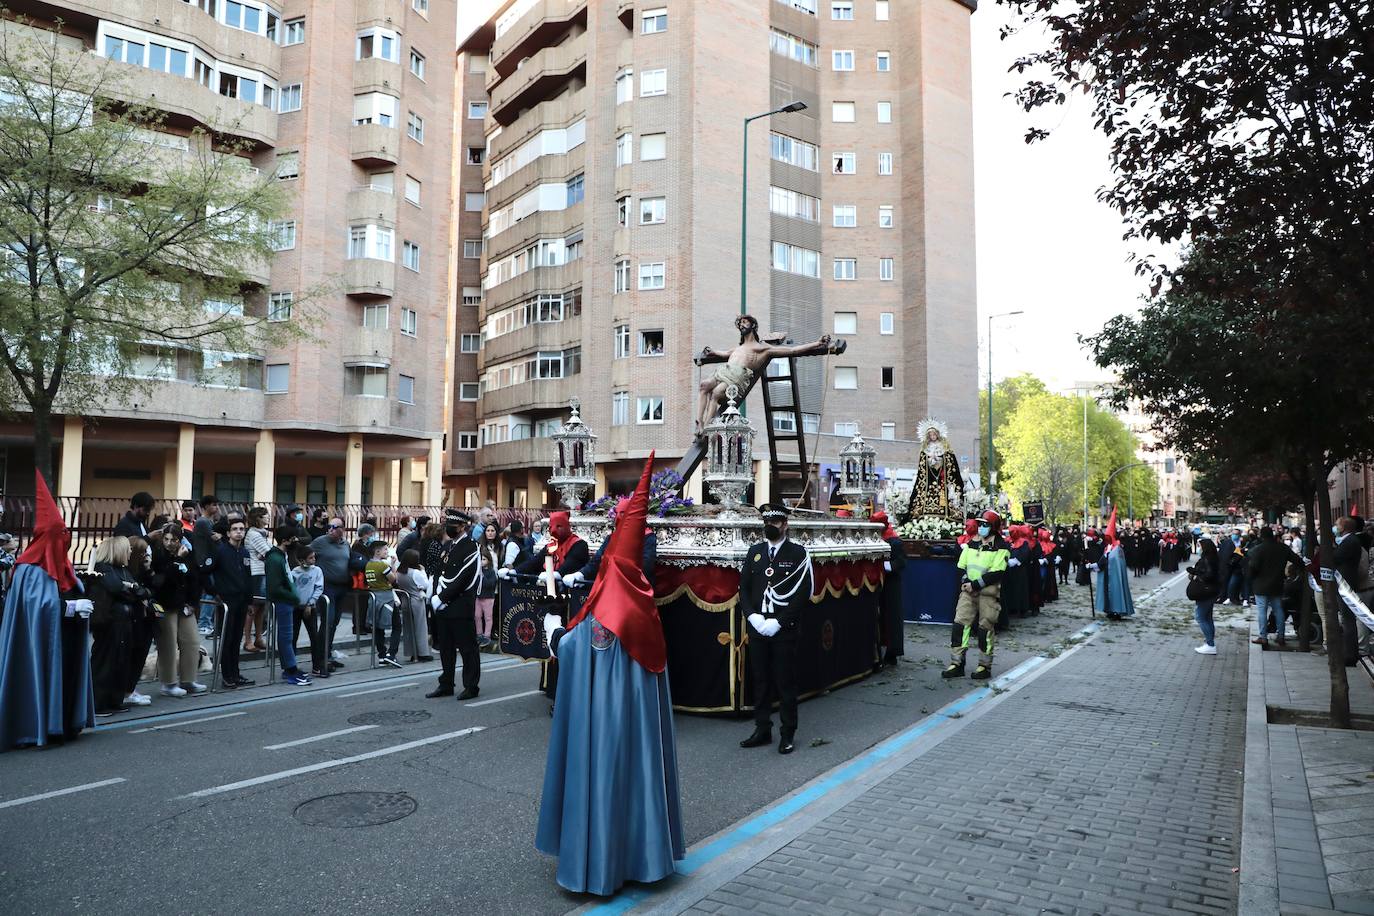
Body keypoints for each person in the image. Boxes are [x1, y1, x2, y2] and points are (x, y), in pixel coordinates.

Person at [536, 453, 684, 894]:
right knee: (639, 774)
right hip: (633, 712)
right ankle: (645, 854)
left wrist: (556, 634)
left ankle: (601, 865)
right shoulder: (640, 607)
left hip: (606, 715)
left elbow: (581, 650)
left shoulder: (611, 609)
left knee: (605, 773)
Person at [0, 471, 95, 746]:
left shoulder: (65, 566)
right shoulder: (28, 569)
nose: (64, 539)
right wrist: (70, 607)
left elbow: (67, 592)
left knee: (66, 678)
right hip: (41, 643)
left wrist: (83, 606)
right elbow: (37, 609)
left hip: (67, 639)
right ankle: (41, 726)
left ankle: (65, 722)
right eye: (59, 534)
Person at [738, 503, 814, 754]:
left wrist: (779, 621)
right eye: (766, 523)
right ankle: (762, 729)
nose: (769, 526)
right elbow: (744, 589)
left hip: (784, 628)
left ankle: (787, 732)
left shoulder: (798, 554)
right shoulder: (755, 552)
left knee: (785, 682)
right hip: (758, 627)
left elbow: (803, 593)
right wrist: (753, 618)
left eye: (775, 523)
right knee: (760, 681)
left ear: (785, 525)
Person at [694, 313, 840, 436]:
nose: (742, 325)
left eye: (745, 322)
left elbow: (792, 351)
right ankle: (699, 422)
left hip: (737, 376)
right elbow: (724, 353)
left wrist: (817, 343)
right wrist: (712, 352)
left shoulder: (762, 348)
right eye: (740, 324)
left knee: (716, 393)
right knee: (704, 386)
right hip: (724, 370)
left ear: (753, 326)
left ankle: (707, 427)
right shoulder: (738, 348)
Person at [943, 510, 1010, 681]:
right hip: (968, 592)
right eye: (980, 524)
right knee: (960, 625)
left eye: (985, 525)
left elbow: (997, 572)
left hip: (987, 593)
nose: (981, 528)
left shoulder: (1001, 547)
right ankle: (957, 664)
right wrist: (967, 582)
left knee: (984, 629)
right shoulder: (971, 543)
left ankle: (984, 666)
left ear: (993, 527)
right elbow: (961, 565)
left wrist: (974, 584)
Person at [87, 536, 146, 714]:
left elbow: (138, 592)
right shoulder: (103, 568)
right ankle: (98, 703)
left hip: (125, 622)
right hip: (109, 622)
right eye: (127, 548)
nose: (130, 552)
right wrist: (129, 588)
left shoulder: (123, 570)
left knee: (121, 662)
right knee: (105, 661)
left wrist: (129, 587)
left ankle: (114, 700)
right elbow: (114, 587)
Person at [427, 511, 482, 700]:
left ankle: (471, 686)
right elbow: (438, 573)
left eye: (453, 525)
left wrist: (443, 597)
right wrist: (435, 595)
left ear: (462, 527)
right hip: (443, 607)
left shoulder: (471, 546)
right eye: (447, 524)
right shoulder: (448, 546)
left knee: (468, 649)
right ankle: (446, 683)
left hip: (460, 605)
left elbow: (465, 577)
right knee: (446, 648)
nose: (449, 528)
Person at [148, 523, 205, 697]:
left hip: (184, 605)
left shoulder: (188, 553)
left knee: (192, 641)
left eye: (174, 539)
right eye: (166, 539)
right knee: (168, 644)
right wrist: (178, 560)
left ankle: (188, 679)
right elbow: (164, 581)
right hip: (165, 604)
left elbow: (195, 579)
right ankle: (169, 683)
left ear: (180, 540)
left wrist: (192, 603)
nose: (169, 543)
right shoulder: (159, 555)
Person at [211, 517, 254, 688]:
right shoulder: (221, 551)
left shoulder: (244, 552)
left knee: (237, 638)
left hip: (242, 600)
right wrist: (214, 592)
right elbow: (207, 571)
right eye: (235, 529)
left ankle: (236, 674)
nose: (239, 532)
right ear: (228, 533)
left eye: (242, 529)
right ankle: (226, 675)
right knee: (227, 639)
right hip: (227, 600)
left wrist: (250, 601)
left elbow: (248, 576)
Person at [265, 525, 311, 685]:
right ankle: (291, 670)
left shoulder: (280, 555)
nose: (295, 541)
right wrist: (293, 597)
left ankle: (290, 667)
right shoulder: (275, 558)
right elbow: (275, 587)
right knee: (286, 637)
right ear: (284, 540)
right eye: (292, 539)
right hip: (283, 602)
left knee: (287, 637)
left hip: (287, 601)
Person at [309, 518, 352, 670]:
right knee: (328, 621)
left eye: (335, 527)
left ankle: (328, 654)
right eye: (329, 527)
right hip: (327, 588)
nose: (331, 529)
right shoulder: (320, 542)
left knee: (335, 622)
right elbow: (304, 553)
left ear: (343, 529)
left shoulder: (345, 544)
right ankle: (320, 658)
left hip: (342, 587)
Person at [122, 536, 157, 707]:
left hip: (146, 617)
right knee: (133, 655)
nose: (145, 555)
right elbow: (138, 592)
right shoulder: (127, 572)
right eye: (142, 552)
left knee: (140, 654)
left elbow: (154, 587)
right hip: (134, 619)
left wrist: (149, 570)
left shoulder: (143, 570)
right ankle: (127, 690)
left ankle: (131, 688)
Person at [1248, 527, 1298, 646]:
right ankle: (1281, 636)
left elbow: (1253, 567)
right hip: (1277, 583)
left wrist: (1251, 578)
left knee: (1262, 611)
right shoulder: (1282, 548)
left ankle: (1263, 637)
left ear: (1261, 536)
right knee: (1278, 610)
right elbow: (1297, 560)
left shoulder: (1258, 550)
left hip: (1261, 584)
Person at [871, 511, 906, 667]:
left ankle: (892, 652)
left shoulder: (895, 541)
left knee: (892, 616)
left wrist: (888, 566)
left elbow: (902, 561)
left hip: (891, 583)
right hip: (876, 581)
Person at [289, 545, 329, 679]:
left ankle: (317, 666)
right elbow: (291, 588)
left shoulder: (317, 571)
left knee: (314, 637)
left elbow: (319, 588)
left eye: (314, 557)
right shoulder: (294, 572)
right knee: (293, 637)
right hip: (295, 607)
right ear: (301, 560)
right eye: (310, 558)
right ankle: (291, 666)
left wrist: (311, 603)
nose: (313, 560)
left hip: (310, 607)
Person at [1331, 516, 1364, 666]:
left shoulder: (1350, 542)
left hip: (1346, 584)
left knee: (1347, 620)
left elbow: (1335, 557)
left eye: (1337, 525)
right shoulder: (1349, 541)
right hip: (1345, 582)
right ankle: (1349, 652)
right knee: (1346, 619)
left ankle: (1350, 654)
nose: (1335, 527)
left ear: (1343, 527)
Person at [363, 540, 402, 668]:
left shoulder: (368, 565)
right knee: (397, 626)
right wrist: (394, 565)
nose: (387, 552)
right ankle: (391, 654)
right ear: (377, 551)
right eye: (385, 549)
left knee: (378, 628)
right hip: (386, 598)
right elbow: (393, 579)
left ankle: (382, 655)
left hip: (374, 598)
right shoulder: (382, 566)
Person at [516, 511, 589, 579]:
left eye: (559, 526)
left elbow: (571, 564)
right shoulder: (550, 545)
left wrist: (557, 574)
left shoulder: (579, 545)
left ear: (567, 527)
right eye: (551, 527)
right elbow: (535, 561)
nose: (554, 531)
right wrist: (516, 571)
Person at [1093, 512, 1136, 619]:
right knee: (1107, 591)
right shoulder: (1108, 547)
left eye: (1108, 536)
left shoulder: (1118, 548)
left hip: (1115, 575)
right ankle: (1109, 610)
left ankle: (1117, 610)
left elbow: (1117, 562)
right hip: (1107, 574)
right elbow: (1104, 558)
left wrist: (1107, 559)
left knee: (1116, 591)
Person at [394, 549, 433, 663]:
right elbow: (425, 584)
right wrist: (423, 571)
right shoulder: (416, 572)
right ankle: (422, 653)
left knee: (408, 628)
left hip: (405, 600)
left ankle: (412, 652)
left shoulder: (399, 572)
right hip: (416, 599)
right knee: (420, 627)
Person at [242, 507, 271, 655]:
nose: (268, 518)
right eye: (265, 516)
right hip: (256, 573)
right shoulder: (255, 535)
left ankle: (258, 637)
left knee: (261, 607)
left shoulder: (260, 534)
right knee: (253, 608)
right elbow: (268, 553)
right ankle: (248, 641)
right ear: (258, 518)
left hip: (262, 572)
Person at [1186, 537, 1221, 655]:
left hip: (1206, 591)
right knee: (1207, 617)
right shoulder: (1212, 558)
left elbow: (1208, 575)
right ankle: (1209, 642)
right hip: (1211, 591)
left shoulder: (1207, 559)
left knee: (1200, 617)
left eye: (1200, 546)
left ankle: (1210, 644)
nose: (1198, 548)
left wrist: (1196, 574)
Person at [192, 495, 221, 634]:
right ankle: (204, 623)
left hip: (206, 561)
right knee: (210, 593)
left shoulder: (207, 521)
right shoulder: (203, 522)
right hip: (205, 561)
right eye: (213, 504)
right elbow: (214, 539)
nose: (216, 507)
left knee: (206, 593)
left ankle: (204, 622)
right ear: (205, 506)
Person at [1002, 523, 1032, 619]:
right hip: (1009, 570)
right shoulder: (1008, 542)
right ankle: (1012, 608)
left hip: (1020, 570)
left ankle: (1022, 609)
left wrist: (1016, 560)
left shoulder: (1024, 542)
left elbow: (1025, 553)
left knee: (1020, 589)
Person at [476, 550, 497, 647]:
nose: (481, 561)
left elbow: (491, 584)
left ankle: (487, 635)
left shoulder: (491, 572)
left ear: (489, 560)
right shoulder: (476, 572)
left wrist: (482, 577)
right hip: (478, 597)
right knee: (477, 615)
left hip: (488, 597)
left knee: (488, 617)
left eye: (484, 559)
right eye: (480, 559)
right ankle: (479, 634)